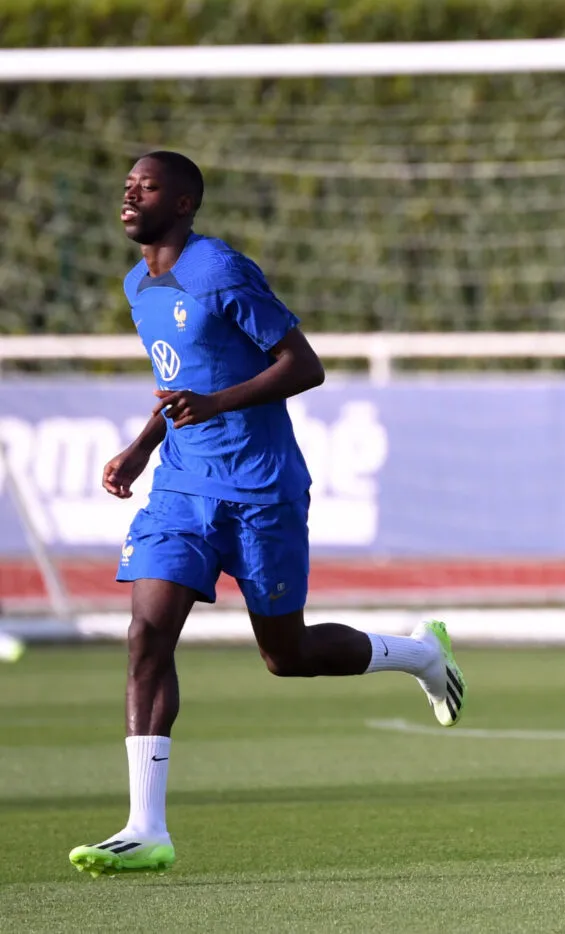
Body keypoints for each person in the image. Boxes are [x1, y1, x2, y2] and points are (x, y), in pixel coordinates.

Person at [68, 151, 466, 878]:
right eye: (125, 183)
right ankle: (145, 826)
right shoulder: (138, 284)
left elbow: (303, 364)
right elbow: (179, 384)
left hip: (259, 490)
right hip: (182, 489)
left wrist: (216, 405)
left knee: (286, 656)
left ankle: (420, 654)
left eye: (145, 186)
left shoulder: (219, 270)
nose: (128, 194)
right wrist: (139, 447)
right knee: (147, 634)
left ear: (184, 202)